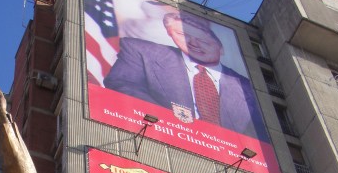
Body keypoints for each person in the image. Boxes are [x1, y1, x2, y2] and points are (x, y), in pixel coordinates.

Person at [105, 11, 269, 142]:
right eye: (183, 35)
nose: (193, 43)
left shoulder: (246, 86)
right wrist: (172, 121)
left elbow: (258, 135)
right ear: (171, 36)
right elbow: (121, 85)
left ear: (221, 48)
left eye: (202, 40)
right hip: (160, 139)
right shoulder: (142, 51)